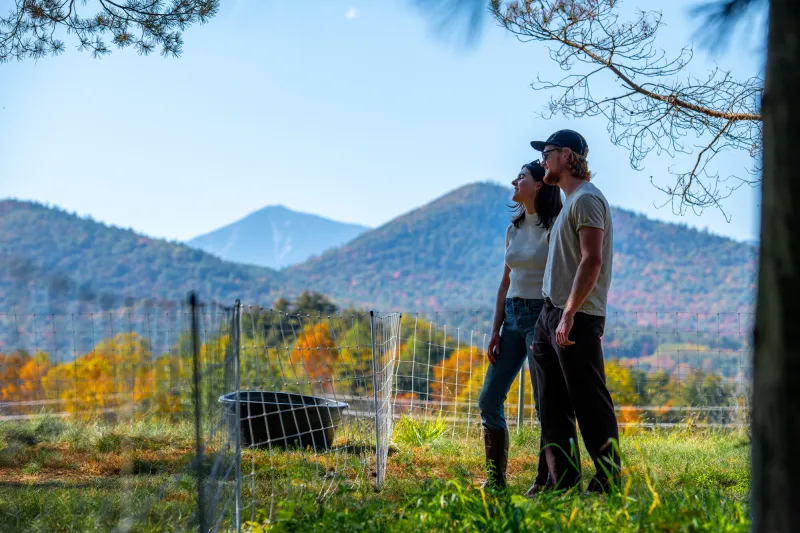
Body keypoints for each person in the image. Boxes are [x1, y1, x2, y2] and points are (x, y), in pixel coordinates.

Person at [528, 129, 621, 495]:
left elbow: (592, 259)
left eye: (547, 153)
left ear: (567, 155)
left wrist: (568, 314)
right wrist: (553, 314)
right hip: (550, 314)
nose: (542, 161)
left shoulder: (587, 200)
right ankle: (561, 481)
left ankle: (608, 479)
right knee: (552, 405)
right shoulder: (570, 202)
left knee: (588, 401)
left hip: (576, 317)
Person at [478, 160, 563, 490]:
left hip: (541, 316)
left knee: (545, 406)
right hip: (512, 318)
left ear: (539, 184)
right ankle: (495, 481)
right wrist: (495, 329)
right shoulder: (512, 229)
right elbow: (505, 282)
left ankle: (545, 482)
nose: (515, 182)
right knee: (488, 400)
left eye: (522, 178)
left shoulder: (555, 226)